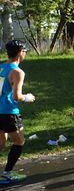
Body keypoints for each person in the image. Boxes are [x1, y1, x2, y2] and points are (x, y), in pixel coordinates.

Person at [0, 40, 35, 183]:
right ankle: (7, 173)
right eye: (25, 51)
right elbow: (16, 96)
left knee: (1, 144)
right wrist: (28, 97)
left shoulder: (1, 67)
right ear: (21, 52)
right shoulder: (17, 72)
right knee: (19, 141)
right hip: (9, 112)